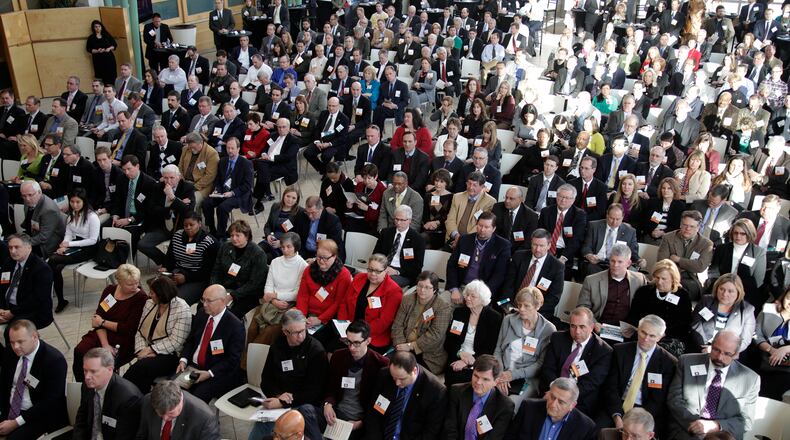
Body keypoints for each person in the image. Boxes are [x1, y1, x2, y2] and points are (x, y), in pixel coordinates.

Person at [299, 320, 390, 440]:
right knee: (304, 410)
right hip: (335, 414)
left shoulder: (381, 364)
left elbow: (381, 403)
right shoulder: (338, 356)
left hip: (358, 422)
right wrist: (328, 404)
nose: (351, 348)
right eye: (349, 342)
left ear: (368, 341)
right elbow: (330, 388)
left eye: (357, 343)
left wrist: (361, 422)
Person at [249, 309, 328, 438]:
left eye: (303, 330)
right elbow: (266, 379)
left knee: (286, 427)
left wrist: (283, 402)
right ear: (285, 332)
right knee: (262, 425)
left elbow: (315, 392)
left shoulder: (316, 350)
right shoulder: (277, 346)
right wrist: (278, 396)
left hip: (305, 403)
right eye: (296, 333)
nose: (301, 336)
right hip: (281, 399)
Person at [667, 330, 760, 439]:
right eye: (716, 350)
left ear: (736, 354)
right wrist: (698, 425)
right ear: (711, 345)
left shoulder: (750, 379)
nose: (720, 357)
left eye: (727, 354)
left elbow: (746, 421)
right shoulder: (687, 362)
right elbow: (674, 400)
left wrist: (716, 426)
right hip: (687, 428)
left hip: (723, 434)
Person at [601, 315, 677, 434]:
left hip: (645, 410)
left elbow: (657, 399)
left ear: (661, 337)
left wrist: (637, 422)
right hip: (616, 404)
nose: (646, 338)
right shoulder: (620, 351)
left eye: (652, 336)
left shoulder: (668, 362)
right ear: (638, 329)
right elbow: (611, 387)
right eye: (643, 332)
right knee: (598, 430)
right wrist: (617, 416)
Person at [72, 263, 147, 381]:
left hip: (123, 339)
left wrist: (102, 322)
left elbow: (128, 328)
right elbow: (98, 317)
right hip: (102, 333)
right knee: (80, 351)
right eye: (130, 284)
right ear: (120, 282)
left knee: (102, 363)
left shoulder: (140, 298)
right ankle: (83, 385)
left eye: (137, 282)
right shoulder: (110, 291)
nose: (135, 286)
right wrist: (105, 344)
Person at [243, 233, 307, 366]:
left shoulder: (303, 265)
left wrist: (275, 296)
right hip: (270, 303)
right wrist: (272, 300)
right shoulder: (275, 262)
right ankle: (247, 361)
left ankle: (247, 364)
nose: (285, 250)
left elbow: (296, 294)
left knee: (268, 332)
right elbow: (268, 286)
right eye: (283, 247)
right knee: (252, 328)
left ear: (296, 247)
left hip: (288, 306)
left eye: (289, 247)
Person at [176, 284, 244, 403]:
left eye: (209, 301)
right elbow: (191, 340)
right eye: (203, 299)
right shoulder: (202, 313)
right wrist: (183, 360)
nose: (204, 304)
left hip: (216, 372)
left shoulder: (235, 326)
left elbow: (233, 359)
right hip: (193, 367)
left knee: (194, 401)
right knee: (173, 392)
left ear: (222, 301)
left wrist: (209, 373)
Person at [0, 320, 68, 439]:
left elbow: (50, 401)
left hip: (39, 414)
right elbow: (4, 385)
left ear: (35, 337)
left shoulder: (54, 360)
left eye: (20, 342)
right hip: (12, 408)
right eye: (12, 342)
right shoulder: (11, 353)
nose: (15, 347)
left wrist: (16, 423)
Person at [540, 307, 613, 417]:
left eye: (582, 327)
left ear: (592, 327)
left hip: (579, 400)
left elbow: (590, 384)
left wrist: (564, 399)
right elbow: (548, 368)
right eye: (573, 326)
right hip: (551, 391)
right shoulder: (558, 338)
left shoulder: (603, 351)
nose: (577, 332)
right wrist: (554, 392)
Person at [123, 276, 191, 394]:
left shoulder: (182, 309)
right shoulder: (150, 303)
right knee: (142, 371)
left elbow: (176, 341)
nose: (150, 295)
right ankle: (138, 400)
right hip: (147, 351)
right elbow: (140, 331)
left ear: (162, 294)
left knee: (140, 368)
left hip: (171, 354)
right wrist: (141, 350)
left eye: (153, 293)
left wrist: (151, 349)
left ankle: (125, 394)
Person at [364, 351, 447, 439]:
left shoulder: (435, 390)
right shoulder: (385, 375)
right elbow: (374, 413)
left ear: (414, 371)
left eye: (402, 379)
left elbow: (430, 431)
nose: (397, 383)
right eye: (394, 378)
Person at [48, 188, 100, 313]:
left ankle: (52, 296)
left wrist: (69, 244)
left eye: (78, 202)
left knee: (53, 260)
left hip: (90, 248)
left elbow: (93, 240)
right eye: (72, 202)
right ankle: (61, 300)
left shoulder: (92, 217)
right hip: (76, 246)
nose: (74, 205)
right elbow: (68, 233)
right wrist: (65, 246)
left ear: (84, 202)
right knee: (57, 266)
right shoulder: (71, 215)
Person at [73, 347, 142, 440]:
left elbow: (124, 436)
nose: (87, 377)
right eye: (85, 370)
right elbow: (81, 419)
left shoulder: (128, 399)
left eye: (93, 371)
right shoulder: (87, 386)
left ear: (110, 369)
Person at [391, 271, 453, 375]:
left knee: (408, 374)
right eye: (420, 286)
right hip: (403, 346)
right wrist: (400, 345)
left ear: (434, 290)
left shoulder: (442, 307)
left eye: (427, 287)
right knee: (389, 368)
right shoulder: (407, 300)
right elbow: (397, 325)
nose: (422, 290)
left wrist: (411, 346)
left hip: (427, 354)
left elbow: (435, 335)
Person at [443, 280, 503, 385]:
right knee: (452, 375)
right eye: (467, 295)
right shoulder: (459, 313)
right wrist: (460, 353)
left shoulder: (494, 318)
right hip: (457, 356)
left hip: (479, 361)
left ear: (482, 299)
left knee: (467, 379)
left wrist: (468, 361)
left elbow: (489, 348)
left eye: (473, 296)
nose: (468, 298)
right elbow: (450, 340)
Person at [446, 212, 512, 304]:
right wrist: (454, 289)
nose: (482, 230)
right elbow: (452, 265)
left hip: (483, 292)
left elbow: (499, 275)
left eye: (486, 227)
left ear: (493, 229)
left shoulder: (502, 246)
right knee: (442, 301)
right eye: (480, 225)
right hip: (461, 287)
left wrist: (483, 294)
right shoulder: (465, 239)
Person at [444, 355, 515, 439]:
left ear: (496, 382)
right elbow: (450, 430)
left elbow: (493, 438)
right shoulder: (457, 392)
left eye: (485, 379)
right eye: (476, 376)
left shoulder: (504, 406)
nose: (478, 382)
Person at [578, 243, 649, 325]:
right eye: (612, 261)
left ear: (628, 263)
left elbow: (644, 308)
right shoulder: (591, 280)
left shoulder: (639, 279)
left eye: (620, 262)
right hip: (599, 325)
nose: (615, 265)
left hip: (627, 329)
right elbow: (582, 307)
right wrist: (594, 324)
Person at [504, 377, 597, 440]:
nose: (553, 404)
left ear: (572, 405)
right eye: (552, 397)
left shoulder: (585, 427)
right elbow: (510, 437)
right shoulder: (528, 407)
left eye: (561, 402)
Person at [209, 220, 268, 318]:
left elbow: (254, 283)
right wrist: (214, 288)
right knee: (204, 307)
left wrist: (232, 295)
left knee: (229, 315)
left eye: (237, 235)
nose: (234, 238)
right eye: (231, 235)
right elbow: (216, 270)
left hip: (248, 293)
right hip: (226, 286)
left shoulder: (258, 254)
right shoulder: (225, 247)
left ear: (247, 236)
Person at [295, 238, 352, 335]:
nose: (321, 261)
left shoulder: (343, 275)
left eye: (325, 258)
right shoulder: (309, 270)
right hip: (307, 314)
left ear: (334, 256)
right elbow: (302, 296)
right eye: (318, 257)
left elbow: (338, 303)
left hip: (328, 317)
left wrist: (320, 319)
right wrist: (302, 317)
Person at [0, 234, 54, 335]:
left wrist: (13, 313)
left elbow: (37, 299)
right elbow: (2, 287)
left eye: (17, 247)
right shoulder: (9, 263)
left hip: (33, 311)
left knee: (11, 332)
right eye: (10, 248)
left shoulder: (41, 269)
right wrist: (2, 310)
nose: (12, 251)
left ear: (29, 247)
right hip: (9, 307)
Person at [505, 229, 566, 317]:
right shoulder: (519, 256)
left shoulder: (557, 266)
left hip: (538, 311)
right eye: (535, 245)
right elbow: (508, 285)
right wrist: (508, 306)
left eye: (541, 246)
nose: (537, 249)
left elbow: (554, 298)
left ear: (549, 246)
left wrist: (531, 311)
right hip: (514, 305)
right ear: (531, 243)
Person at [201, 138, 253, 238]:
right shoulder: (223, 161)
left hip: (238, 194)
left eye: (232, 148)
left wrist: (232, 192)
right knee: (206, 203)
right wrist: (217, 189)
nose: (230, 151)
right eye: (228, 148)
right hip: (223, 192)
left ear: (238, 149)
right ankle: (212, 230)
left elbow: (247, 185)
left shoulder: (246, 163)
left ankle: (220, 235)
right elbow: (218, 179)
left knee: (222, 207)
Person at [692, 274, 756, 354]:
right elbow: (696, 325)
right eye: (722, 289)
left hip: (729, 353)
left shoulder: (747, 310)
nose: (725, 294)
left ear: (738, 292)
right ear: (716, 288)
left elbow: (745, 340)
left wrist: (725, 352)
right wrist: (704, 347)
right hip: (702, 348)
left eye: (730, 291)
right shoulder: (706, 301)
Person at [658, 210, 714, 300]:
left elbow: (700, 266)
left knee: (683, 290)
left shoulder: (706, 244)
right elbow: (662, 262)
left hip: (690, 279)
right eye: (685, 225)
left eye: (692, 226)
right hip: (669, 275)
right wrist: (689, 264)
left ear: (698, 227)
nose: (687, 229)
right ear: (680, 224)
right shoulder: (668, 238)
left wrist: (678, 260)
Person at [135, 380, 219, 439]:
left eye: (170, 413)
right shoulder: (147, 401)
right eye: (160, 413)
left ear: (180, 401)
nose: (165, 418)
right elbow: (142, 435)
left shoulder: (205, 419)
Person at [709, 218, 767, 304]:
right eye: (735, 233)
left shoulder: (758, 252)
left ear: (749, 234)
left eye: (742, 234)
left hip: (745, 292)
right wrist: (720, 286)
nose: (738, 236)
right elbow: (714, 270)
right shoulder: (722, 248)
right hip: (721, 289)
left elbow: (758, 280)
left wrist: (735, 290)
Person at [537, 183, 587, 279]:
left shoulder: (579, 215)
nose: (563, 200)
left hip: (565, 252)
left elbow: (576, 241)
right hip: (545, 249)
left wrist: (563, 258)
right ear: (556, 196)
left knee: (559, 275)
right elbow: (540, 234)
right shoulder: (546, 212)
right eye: (561, 196)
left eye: (567, 198)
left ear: (573, 200)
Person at [373, 205, 426, 288]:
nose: (398, 223)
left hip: (403, 274)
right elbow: (376, 254)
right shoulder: (386, 233)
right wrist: (381, 267)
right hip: (383, 268)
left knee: (386, 282)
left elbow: (417, 267)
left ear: (409, 221)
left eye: (402, 220)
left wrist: (397, 272)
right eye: (396, 219)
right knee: (368, 277)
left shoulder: (417, 239)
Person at [580, 205, 642, 275]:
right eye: (611, 218)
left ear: (622, 217)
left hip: (617, 264)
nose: (614, 222)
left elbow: (633, 252)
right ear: (607, 215)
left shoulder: (630, 232)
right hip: (597, 262)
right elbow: (586, 246)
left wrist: (639, 260)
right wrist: (589, 255)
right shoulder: (594, 226)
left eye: (618, 219)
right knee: (591, 269)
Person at [754, 288, 790, 400]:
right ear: (784, 296)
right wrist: (770, 349)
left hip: (787, 370)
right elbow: (755, 334)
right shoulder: (769, 309)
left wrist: (786, 349)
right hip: (764, 362)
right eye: (789, 298)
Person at [19, 180, 65, 257]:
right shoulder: (28, 200)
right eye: (24, 196)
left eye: (30, 195)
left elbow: (44, 237)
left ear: (39, 192)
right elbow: (28, 221)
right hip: (33, 236)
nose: (27, 199)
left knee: (18, 252)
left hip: (46, 245)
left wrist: (24, 243)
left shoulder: (49, 209)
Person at [86, 20, 117, 85]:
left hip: (109, 59)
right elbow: (88, 49)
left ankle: (112, 91)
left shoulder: (106, 35)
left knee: (111, 75)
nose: (97, 28)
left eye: (99, 26)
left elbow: (114, 45)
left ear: (101, 27)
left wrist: (109, 48)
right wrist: (97, 51)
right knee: (101, 77)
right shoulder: (91, 38)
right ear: (93, 28)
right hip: (98, 60)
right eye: (95, 27)